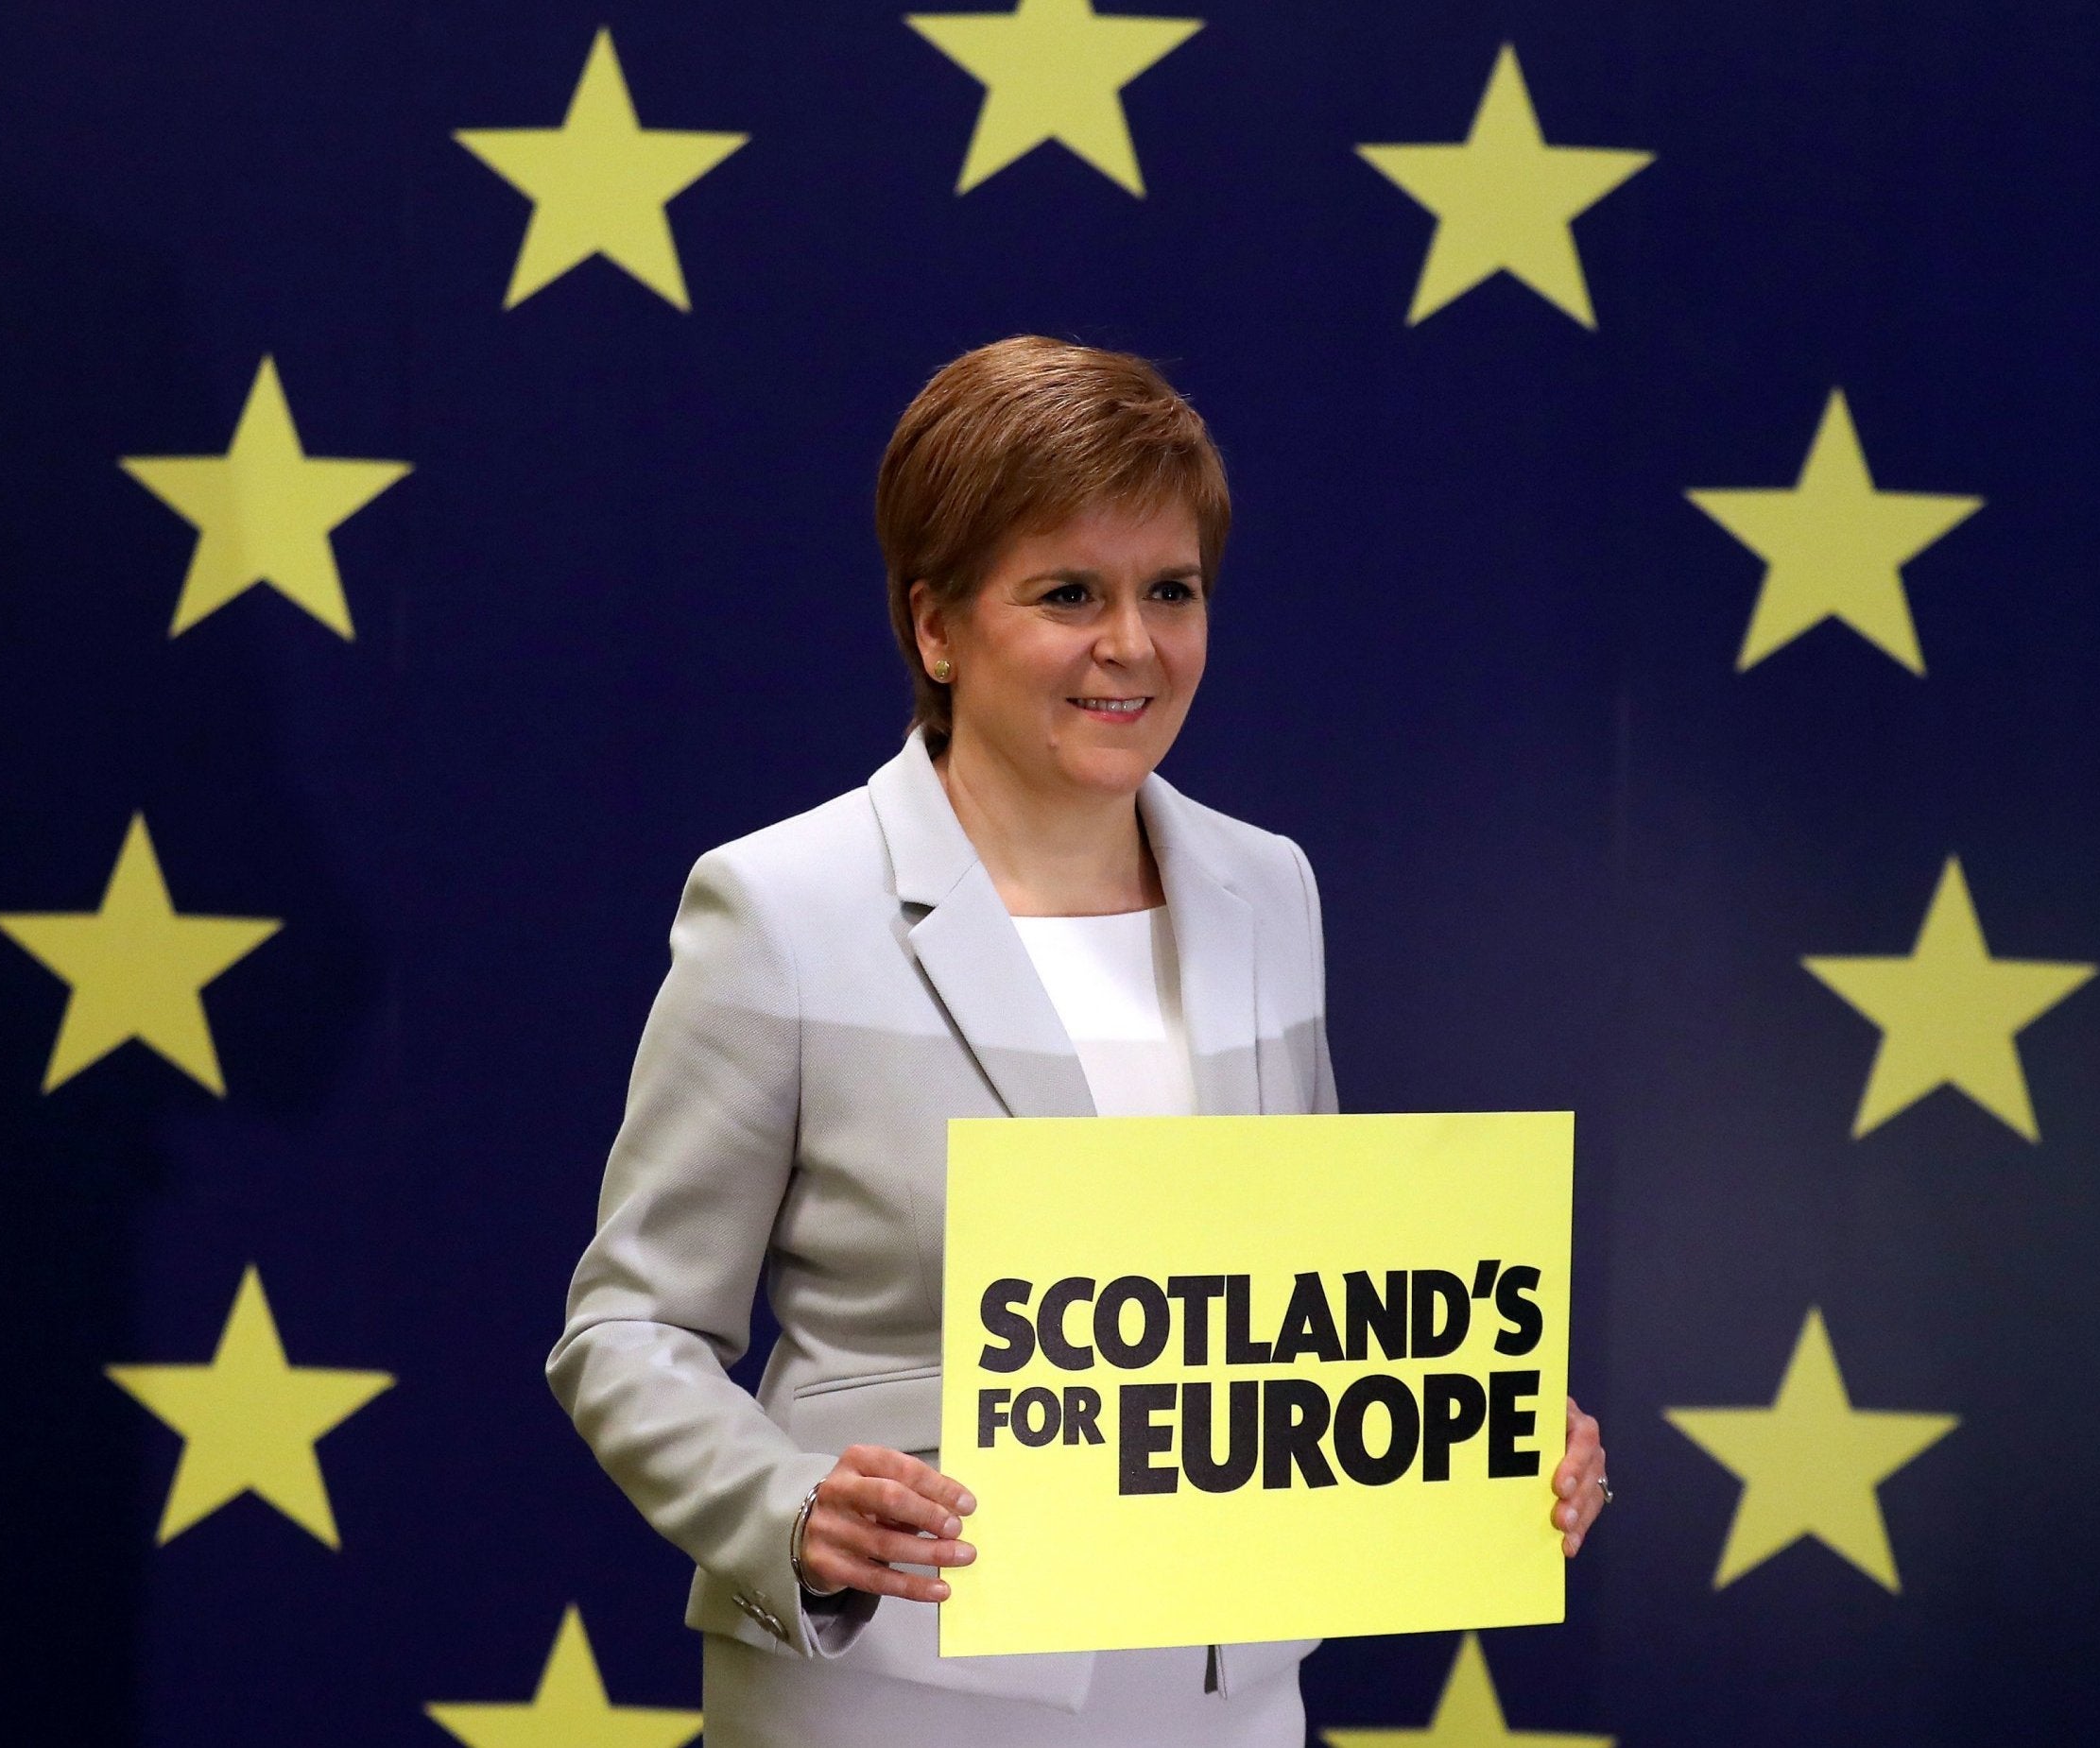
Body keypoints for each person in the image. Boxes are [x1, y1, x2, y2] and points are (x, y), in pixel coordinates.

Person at [547, 336, 1610, 1746]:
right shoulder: (779, 907)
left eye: (1171, 589)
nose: (1134, 643)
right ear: (935, 627)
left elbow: (1314, 1297)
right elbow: (628, 1329)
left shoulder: (1270, 888)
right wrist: (783, 1509)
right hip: (896, 1697)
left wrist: (1482, 1427)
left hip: (1231, 1701)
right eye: (1067, 594)